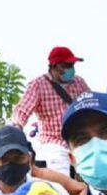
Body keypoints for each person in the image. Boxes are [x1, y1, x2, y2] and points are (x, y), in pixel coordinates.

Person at [11, 46, 91, 175]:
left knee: (95, 176)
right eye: (67, 65)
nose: (71, 68)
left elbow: (91, 104)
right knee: (61, 180)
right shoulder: (38, 85)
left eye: (72, 64)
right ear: (54, 66)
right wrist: (15, 127)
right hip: (54, 142)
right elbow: (22, 110)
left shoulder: (79, 82)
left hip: (79, 138)